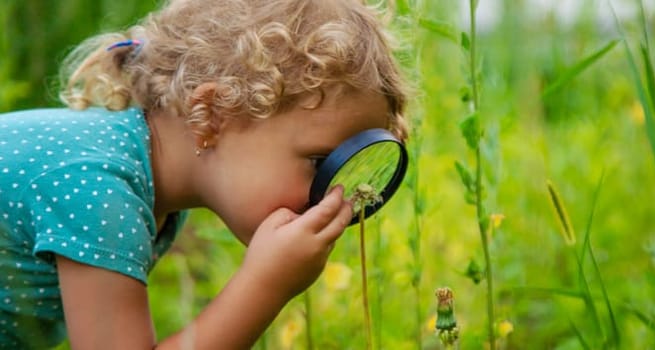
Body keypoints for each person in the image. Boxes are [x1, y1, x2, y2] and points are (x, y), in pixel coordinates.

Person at [0, 0, 411, 347]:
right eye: (321, 164)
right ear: (212, 116)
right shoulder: (100, 188)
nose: (332, 195)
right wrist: (265, 286)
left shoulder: (138, 177)